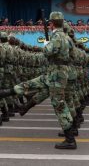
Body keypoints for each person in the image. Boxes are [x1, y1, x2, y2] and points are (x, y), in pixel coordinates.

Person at [0, 12, 77, 150]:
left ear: (52, 23)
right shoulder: (67, 38)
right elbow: (71, 56)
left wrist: (47, 45)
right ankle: (9, 94)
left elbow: (48, 52)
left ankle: (70, 139)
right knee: (32, 84)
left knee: (58, 104)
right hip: (56, 72)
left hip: (56, 74)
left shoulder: (57, 36)